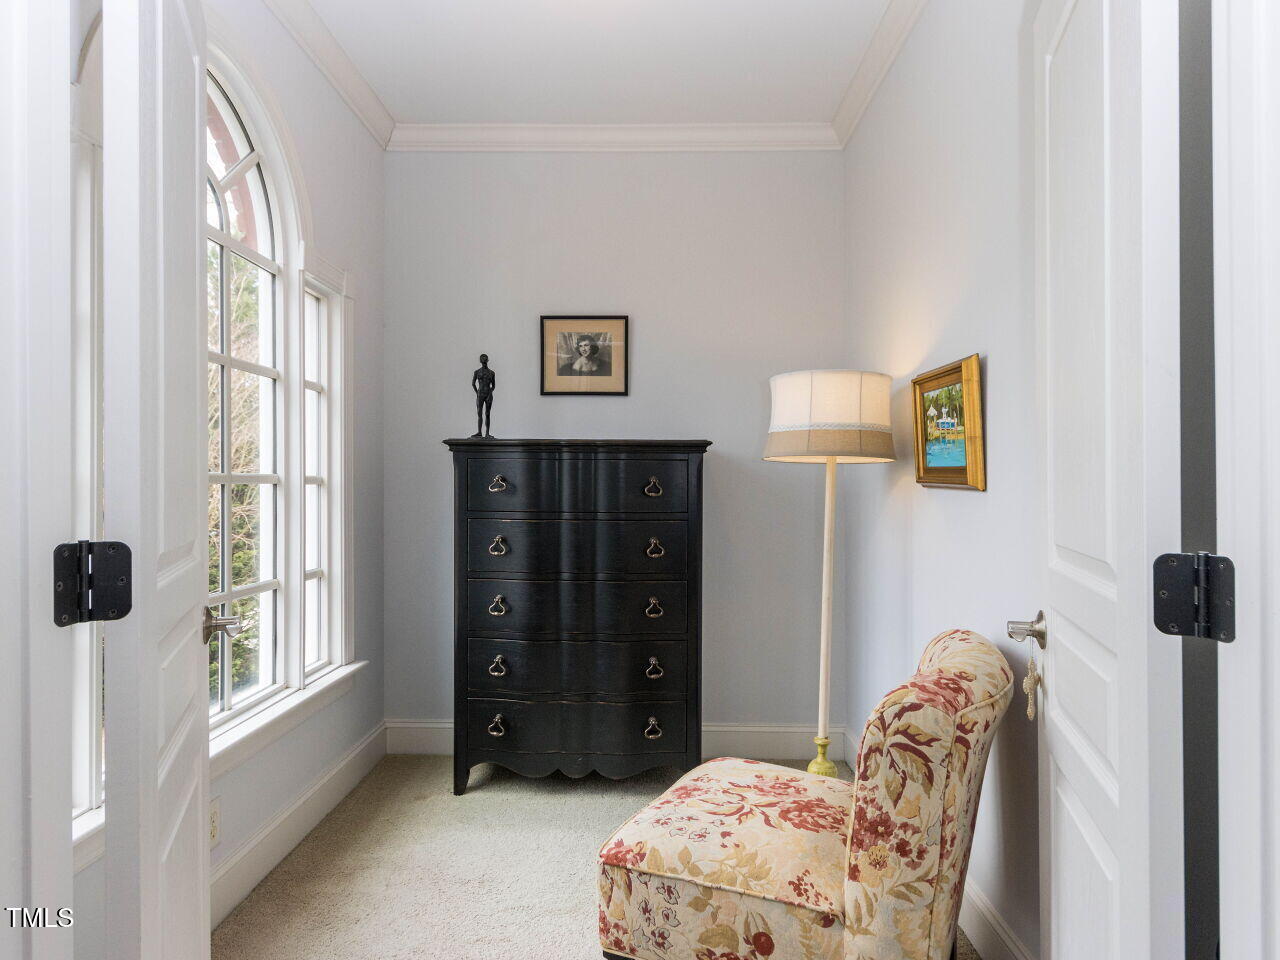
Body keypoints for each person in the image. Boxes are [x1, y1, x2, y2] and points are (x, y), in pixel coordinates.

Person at [471, 354, 494, 438]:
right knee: (479, 413)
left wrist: (490, 391)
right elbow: (473, 384)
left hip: (488, 394)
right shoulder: (477, 372)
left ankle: (487, 433)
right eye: (482, 359)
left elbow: (494, 385)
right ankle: (479, 432)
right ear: (480, 361)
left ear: (487, 360)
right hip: (480, 393)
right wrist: (477, 392)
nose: (484, 360)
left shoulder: (492, 373)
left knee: (487, 414)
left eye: (485, 359)